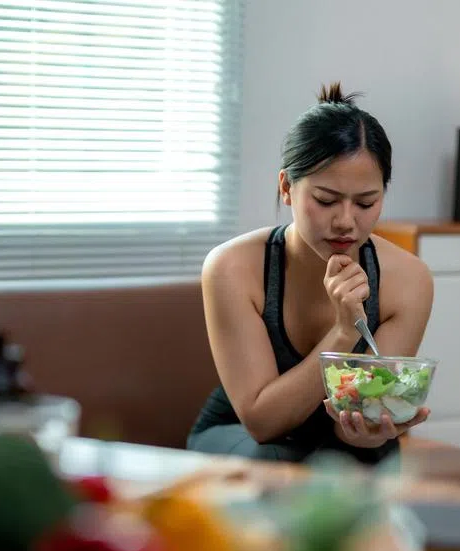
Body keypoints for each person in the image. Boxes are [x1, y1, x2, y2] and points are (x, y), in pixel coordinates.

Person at [186, 82, 435, 464]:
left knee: (374, 458)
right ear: (286, 187)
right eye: (326, 200)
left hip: (333, 444)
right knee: (275, 460)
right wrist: (344, 331)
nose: (346, 222)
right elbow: (262, 422)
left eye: (366, 203)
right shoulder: (233, 267)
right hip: (245, 435)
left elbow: (359, 416)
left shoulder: (409, 280)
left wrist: (370, 432)